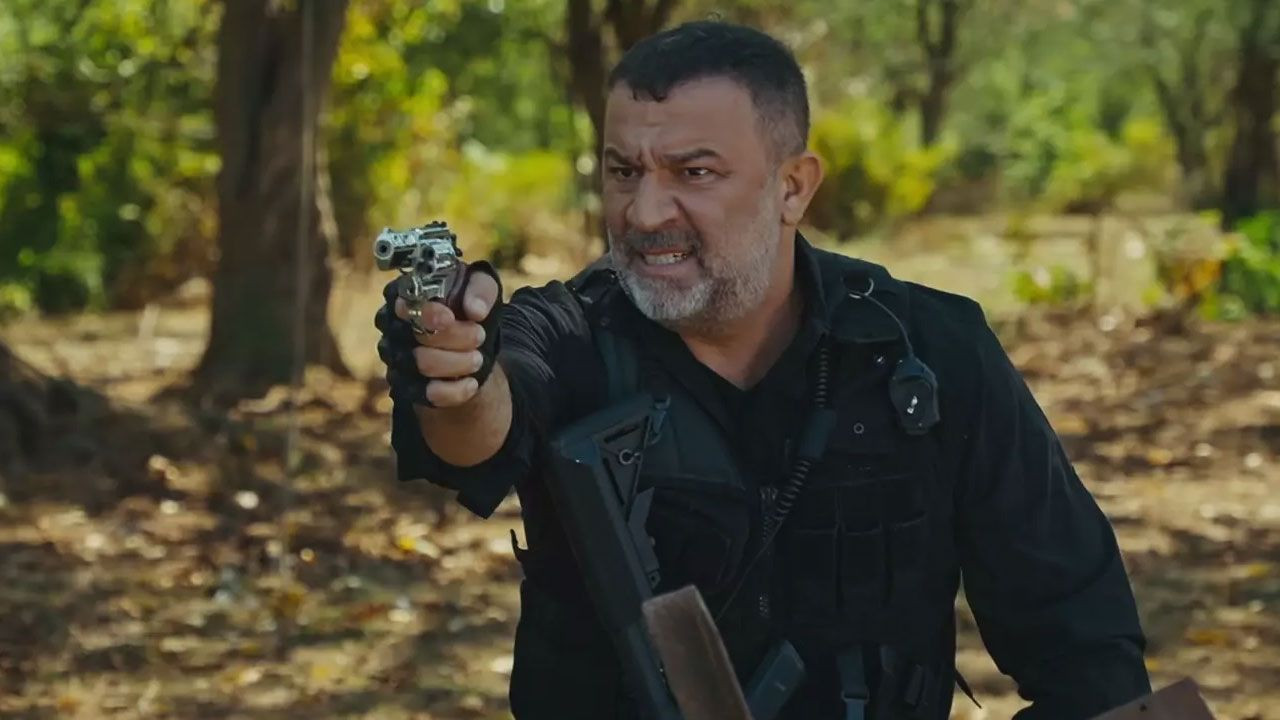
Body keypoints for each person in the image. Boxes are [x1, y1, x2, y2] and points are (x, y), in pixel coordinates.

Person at [374, 21, 1152, 720]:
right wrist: (456, 369)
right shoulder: (568, 333)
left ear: (793, 187)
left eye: (694, 173)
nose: (645, 213)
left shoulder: (929, 352)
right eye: (623, 171)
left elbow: (1084, 647)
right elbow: (477, 429)